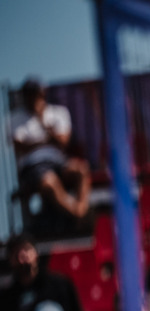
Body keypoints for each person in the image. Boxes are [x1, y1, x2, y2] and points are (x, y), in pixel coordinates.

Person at [9, 78, 91, 227]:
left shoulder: (58, 112)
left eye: (36, 94)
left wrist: (42, 122)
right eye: (29, 95)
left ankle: (81, 211)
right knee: (50, 182)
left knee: (81, 170)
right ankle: (78, 214)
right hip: (33, 167)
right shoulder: (15, 118)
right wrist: (48, 140)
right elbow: (20, 147)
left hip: (58, 161)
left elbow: (63, 142)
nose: (33, 99)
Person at [0, 233, 88, 311]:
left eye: (26, 250)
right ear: (10, 259)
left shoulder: (59, 285)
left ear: (36, 253)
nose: (22, 256)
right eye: (16, 253)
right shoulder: (6, 297)